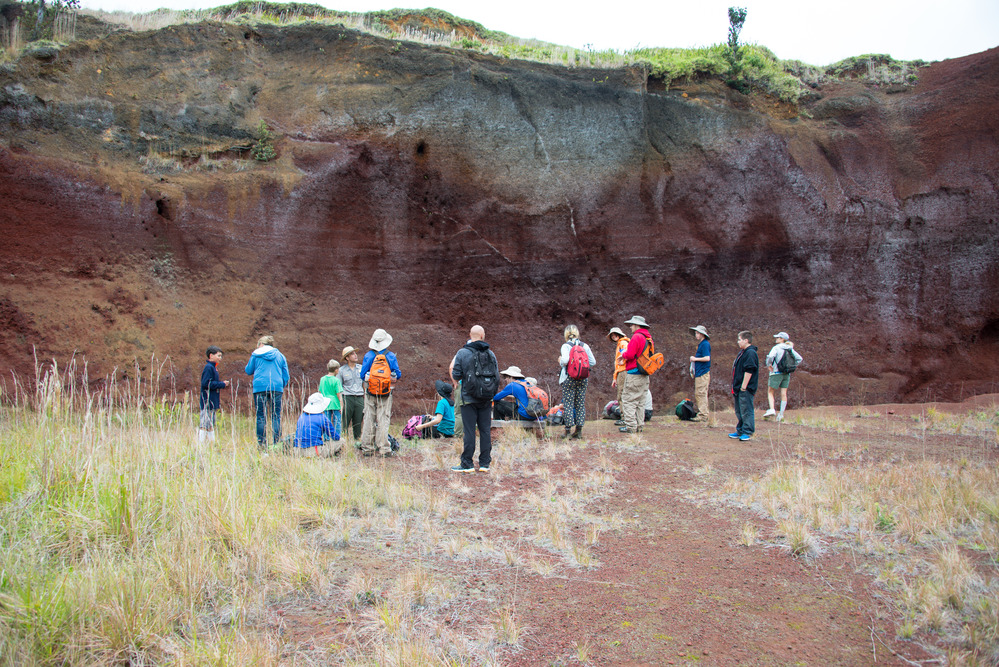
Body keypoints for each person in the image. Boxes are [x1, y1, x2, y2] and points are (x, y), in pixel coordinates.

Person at [451, 325, 499, 472]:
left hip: (468, 398)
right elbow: (496, 376)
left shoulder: (462, 353)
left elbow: (456, 375)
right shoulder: (491, 354)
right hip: (486, 398)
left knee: (470, 431)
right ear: (483, 336)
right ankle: (484, 464)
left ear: (470, 335)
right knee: (485, 431)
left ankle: (467, 464)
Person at [359, 329, 401, 457]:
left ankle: (367, 448)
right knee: (383, 419)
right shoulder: (390, 356)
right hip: (385, 393)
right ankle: (384, 449)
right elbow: (398, 374)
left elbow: (362, 375)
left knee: (369, 418)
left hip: (370, 391)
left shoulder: (368, 355)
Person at [244, 335, 290, 451]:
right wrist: (280, 385)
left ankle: (262, 444)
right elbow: (286, 375)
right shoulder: (280, 355)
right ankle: (276, 444)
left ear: (261, 344)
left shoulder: (256, 354)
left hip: (260, 387)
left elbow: (248, 370)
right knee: (275, 416)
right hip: (276, 387)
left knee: (261, 416)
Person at [558, 325, 596, 440]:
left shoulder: (566, 346)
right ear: (577, 333)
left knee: (568, 404)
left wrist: (560, 361)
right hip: (583, 378)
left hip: (569, 378)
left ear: (566, 334)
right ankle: (579, 431)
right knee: (580, 404)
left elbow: (565, 361)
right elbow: (593, 362)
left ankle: (568, 432)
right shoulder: (584, 346)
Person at [619, 316, 653, 434]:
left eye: (632, 325)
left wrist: (623, 354)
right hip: (645, 374)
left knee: (628, 400)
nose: (630, 327)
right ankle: (639, 426)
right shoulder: (648, 338)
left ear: (637, 325)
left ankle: (631, 427)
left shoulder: (637, 337)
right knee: (640, 402)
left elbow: (630, 354)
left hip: (634, 373)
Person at [764, 331, 804, 422]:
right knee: (784, 393)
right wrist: (792, 366)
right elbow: (799, 359)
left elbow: (770, 356)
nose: (776, 339)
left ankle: (772, 409)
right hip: (786, 374)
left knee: (770, 392)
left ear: (782, 339)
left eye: (778, 337)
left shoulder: (776, 348)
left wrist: (769, 365)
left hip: (776, 373)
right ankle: (781, 414)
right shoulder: (790, 348)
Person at [730, 331, 760, 442]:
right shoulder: (743, 352)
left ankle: (747, 431)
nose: (738, 342)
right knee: (740, 410)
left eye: (739, 339)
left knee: (746, 410)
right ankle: (740, 430)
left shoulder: (750, 353)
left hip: (745, 388)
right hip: (738, 387)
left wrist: (744, 386)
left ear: (746, 340)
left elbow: (749, 369)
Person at [292, 392, 341, 457]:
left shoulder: (302, 416)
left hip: (297, 450)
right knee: (341, 441)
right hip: (314, 450)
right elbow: (335, 436)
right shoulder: (322, 418)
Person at [198, 345, 230, 444]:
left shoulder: (213, 368)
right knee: (204, 424)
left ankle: (212, 444)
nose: (220, 358)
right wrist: (222, 384)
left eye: (221, 356)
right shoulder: (209, 367)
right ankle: (201, 445)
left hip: (212, 401)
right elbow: (206, 383)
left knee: (211, 424)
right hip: (207, 401)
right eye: (218, 355)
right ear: (211, 356)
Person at [338, 346, 364, 442]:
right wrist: (341, 402)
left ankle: (357, 442)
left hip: (359, 397)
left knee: (358, 422)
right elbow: (339, 387)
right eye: (352, 354)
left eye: (355, 353)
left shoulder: (361, 368)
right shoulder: (341, 370)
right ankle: (344, 442)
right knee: (344, 422)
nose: (355, 355)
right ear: (347, 358)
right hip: (347, 398)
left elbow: (365, 384)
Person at [688, 325, 711, 422]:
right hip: (700, 372)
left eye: (697, 333)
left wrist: (695, 359)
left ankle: (703, 415)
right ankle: (703, 413)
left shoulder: (705, 344)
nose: (696, 335)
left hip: (702, 372)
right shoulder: (702, 344)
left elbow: (707, 358)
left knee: (701, 393)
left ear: (702, 334)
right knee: (700, 393)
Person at [318, 358, 343, 442]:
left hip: (325, 403)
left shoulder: (322, 379)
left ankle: (326, 438)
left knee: (326, 421)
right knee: (337, 422)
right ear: (336, 370)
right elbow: (338, 394)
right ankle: (337, 438)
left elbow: (320, 392)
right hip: (335, 403)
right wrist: (341, 405)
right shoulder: (336, 380)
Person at [607, 327, 630, 413]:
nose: (613, 336)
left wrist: (623, 360)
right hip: (621, 371)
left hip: (623, 371)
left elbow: (627, 353)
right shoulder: (620, 343)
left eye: (615, 334)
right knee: (622, 394)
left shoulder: (623, 342)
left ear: (619, 334)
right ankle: (625, 415)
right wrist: (615, 378)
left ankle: (624, 416)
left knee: (621, 394)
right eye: (612, 335)